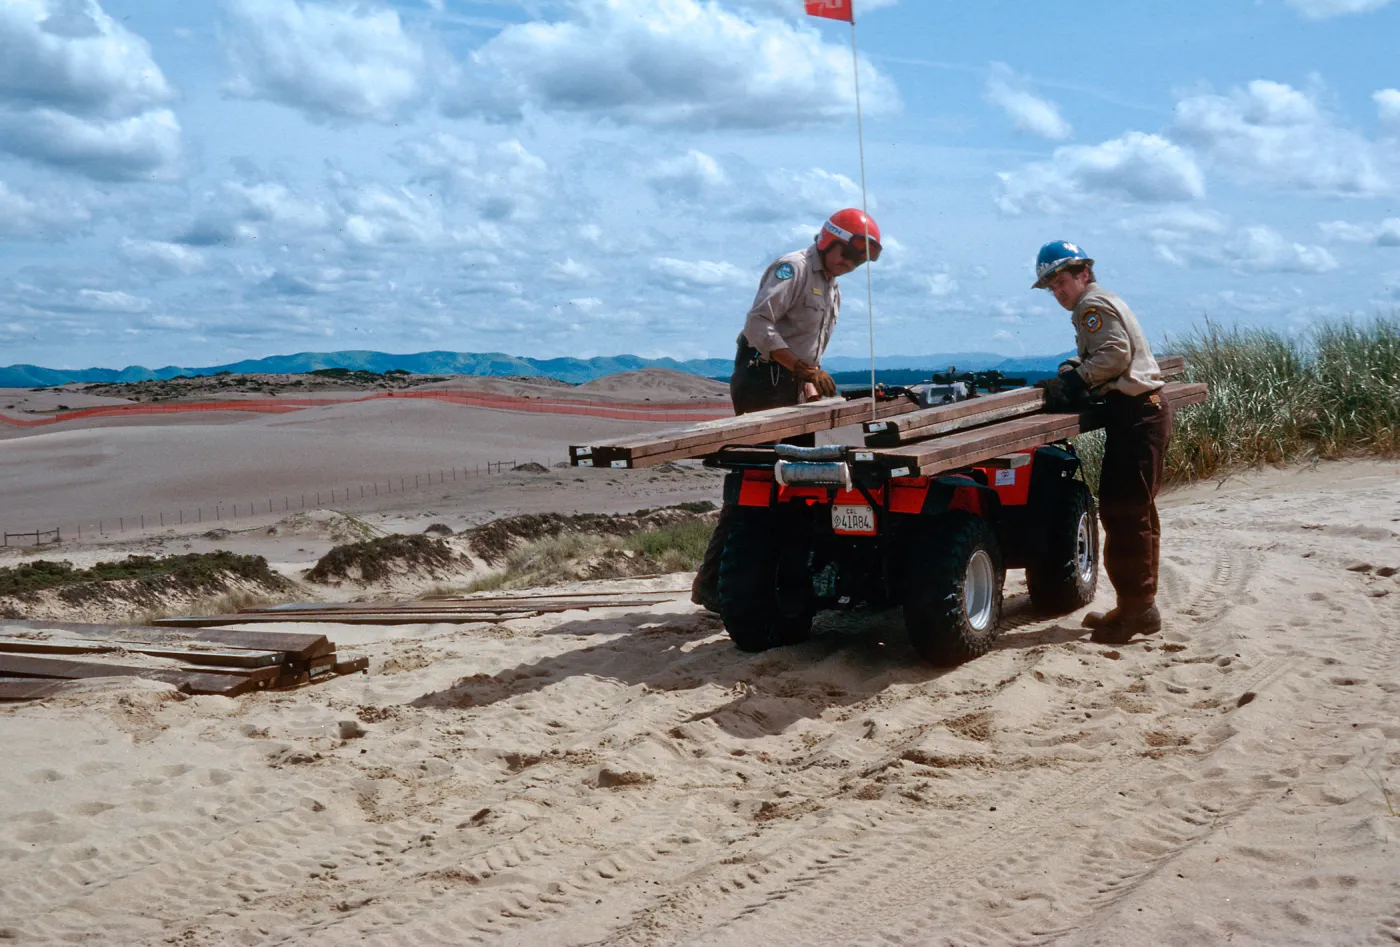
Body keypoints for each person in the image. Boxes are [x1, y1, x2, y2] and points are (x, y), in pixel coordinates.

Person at [691, 208, 883, 612]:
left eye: (859, 260)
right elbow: (759, 325)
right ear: (829, 241)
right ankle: (713, 583)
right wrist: (802, 369)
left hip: (793, 384)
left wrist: (810, 385)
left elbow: (810, 349)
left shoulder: (831, 286)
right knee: (756, 481)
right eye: (848, 253)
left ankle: (778, 573)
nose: (851, 264)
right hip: (763, 380)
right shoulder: (793, 269)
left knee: (794, 479)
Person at [1031, 240, 1172, 644]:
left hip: (1137, 414)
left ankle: (1138, 609)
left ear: (1084, 274)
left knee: (1124, 513)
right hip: (1140, 412)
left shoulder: (1091, 307)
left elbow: (1114, 355)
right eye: (1051, 286)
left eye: (1062, 281)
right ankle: (1137, 604)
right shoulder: (1095, 303)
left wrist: (1072, 382)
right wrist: (1073, 366)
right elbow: (1105, 352)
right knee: (1135, 512)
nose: (1058, 291)